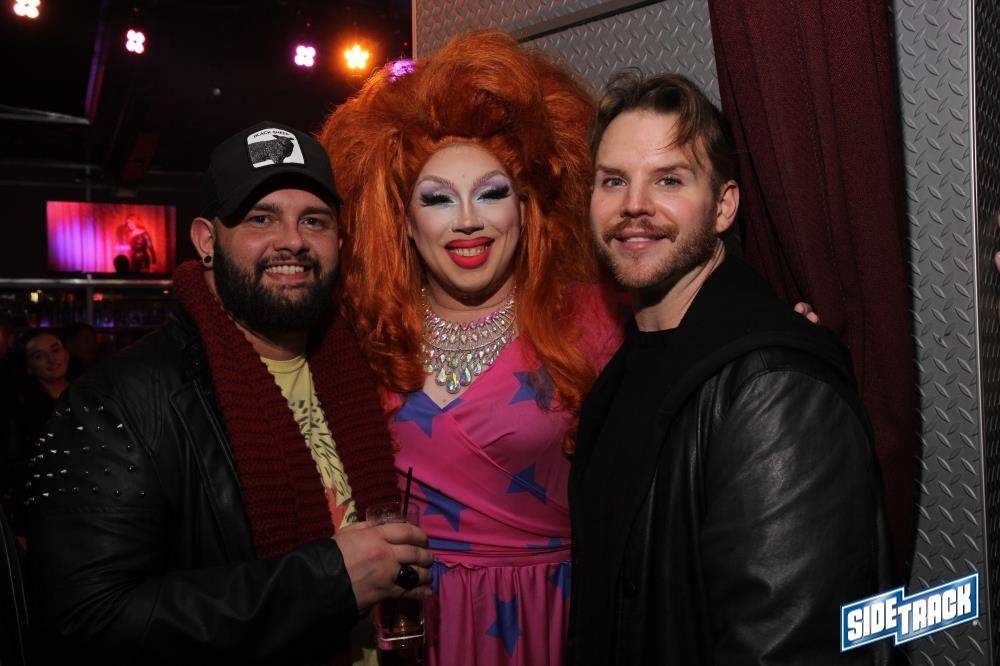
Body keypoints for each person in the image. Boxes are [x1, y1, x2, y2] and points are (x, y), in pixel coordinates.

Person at [27, 122, 434, 665]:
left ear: (339, 242)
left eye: (314, 220)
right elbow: (88, 620)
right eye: (261, 218)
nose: (293, 241)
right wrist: (324, 580)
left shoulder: (368, 366)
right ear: (206, 241)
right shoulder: (119, 401)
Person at [568, 71, 893, 665]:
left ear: (723, 207)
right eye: (613, 180)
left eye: (669, 180)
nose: (633, 205)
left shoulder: (775, 385)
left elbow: (791, 647)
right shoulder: (624, 371)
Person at [320, 32, 623, 665]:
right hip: (411, 621)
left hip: (553, 618)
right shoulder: (365, 332)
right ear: (404, 222)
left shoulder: (595, 318)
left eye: (491, 192)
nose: (467, 220)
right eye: (437, 198)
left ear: (527, 208)